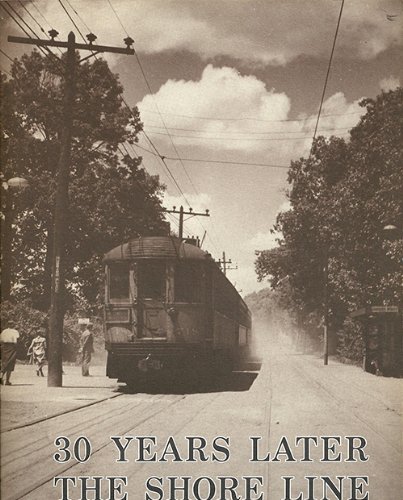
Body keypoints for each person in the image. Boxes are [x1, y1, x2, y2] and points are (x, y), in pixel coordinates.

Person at [0, 320, 20, 385]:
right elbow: (16, 341)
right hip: (12, 347)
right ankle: (7, 381)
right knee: (10, 363)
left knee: (4, 362)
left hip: (4, 347)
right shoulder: (15, 331)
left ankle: (1, 377)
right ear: (12, 325)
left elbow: (1, 340)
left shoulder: (4, 331)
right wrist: (16, 349)